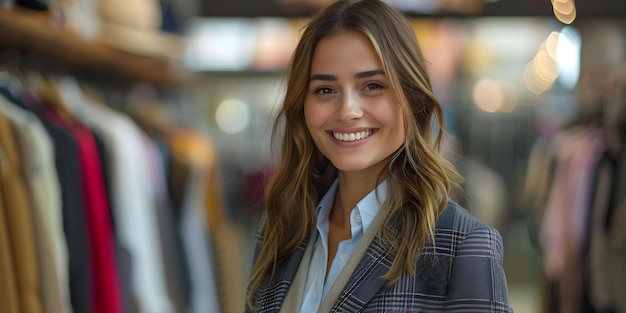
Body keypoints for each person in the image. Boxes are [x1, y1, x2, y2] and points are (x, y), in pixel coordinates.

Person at [245, 0, 512, 312]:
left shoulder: (462, 245)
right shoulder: (281, 226)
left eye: (372, 85)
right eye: (325, 90)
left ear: (412, 97)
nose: (347, 111)